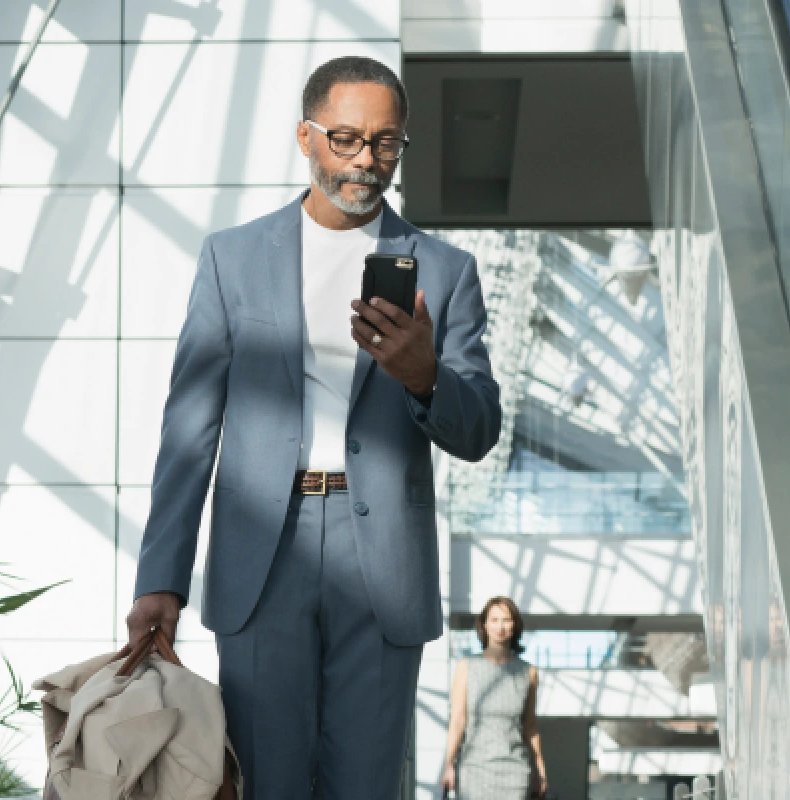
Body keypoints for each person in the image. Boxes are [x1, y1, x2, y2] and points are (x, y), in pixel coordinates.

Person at [125, 55, 502, 798]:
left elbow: (480, 428)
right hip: (263, 552)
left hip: (383, 561)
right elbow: (190, 429)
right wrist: (160, 579)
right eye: (346, 138)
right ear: (306, 137)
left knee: (367, 785)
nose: (366, 160)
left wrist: (424, 374)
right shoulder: (233, 259)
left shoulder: (446, 270)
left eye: (386, 142)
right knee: (264, 779)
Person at [442, 597, 549, 799]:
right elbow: (458, 720)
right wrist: (448, 764)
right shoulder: (466, 666)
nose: (500, 626)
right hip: (473, 770)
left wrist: (540, 770)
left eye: (506, 620)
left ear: (515, 625)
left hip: (515, 772)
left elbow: (531, 727)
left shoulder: (528, 672)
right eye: (494, 620)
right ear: (484, 624)